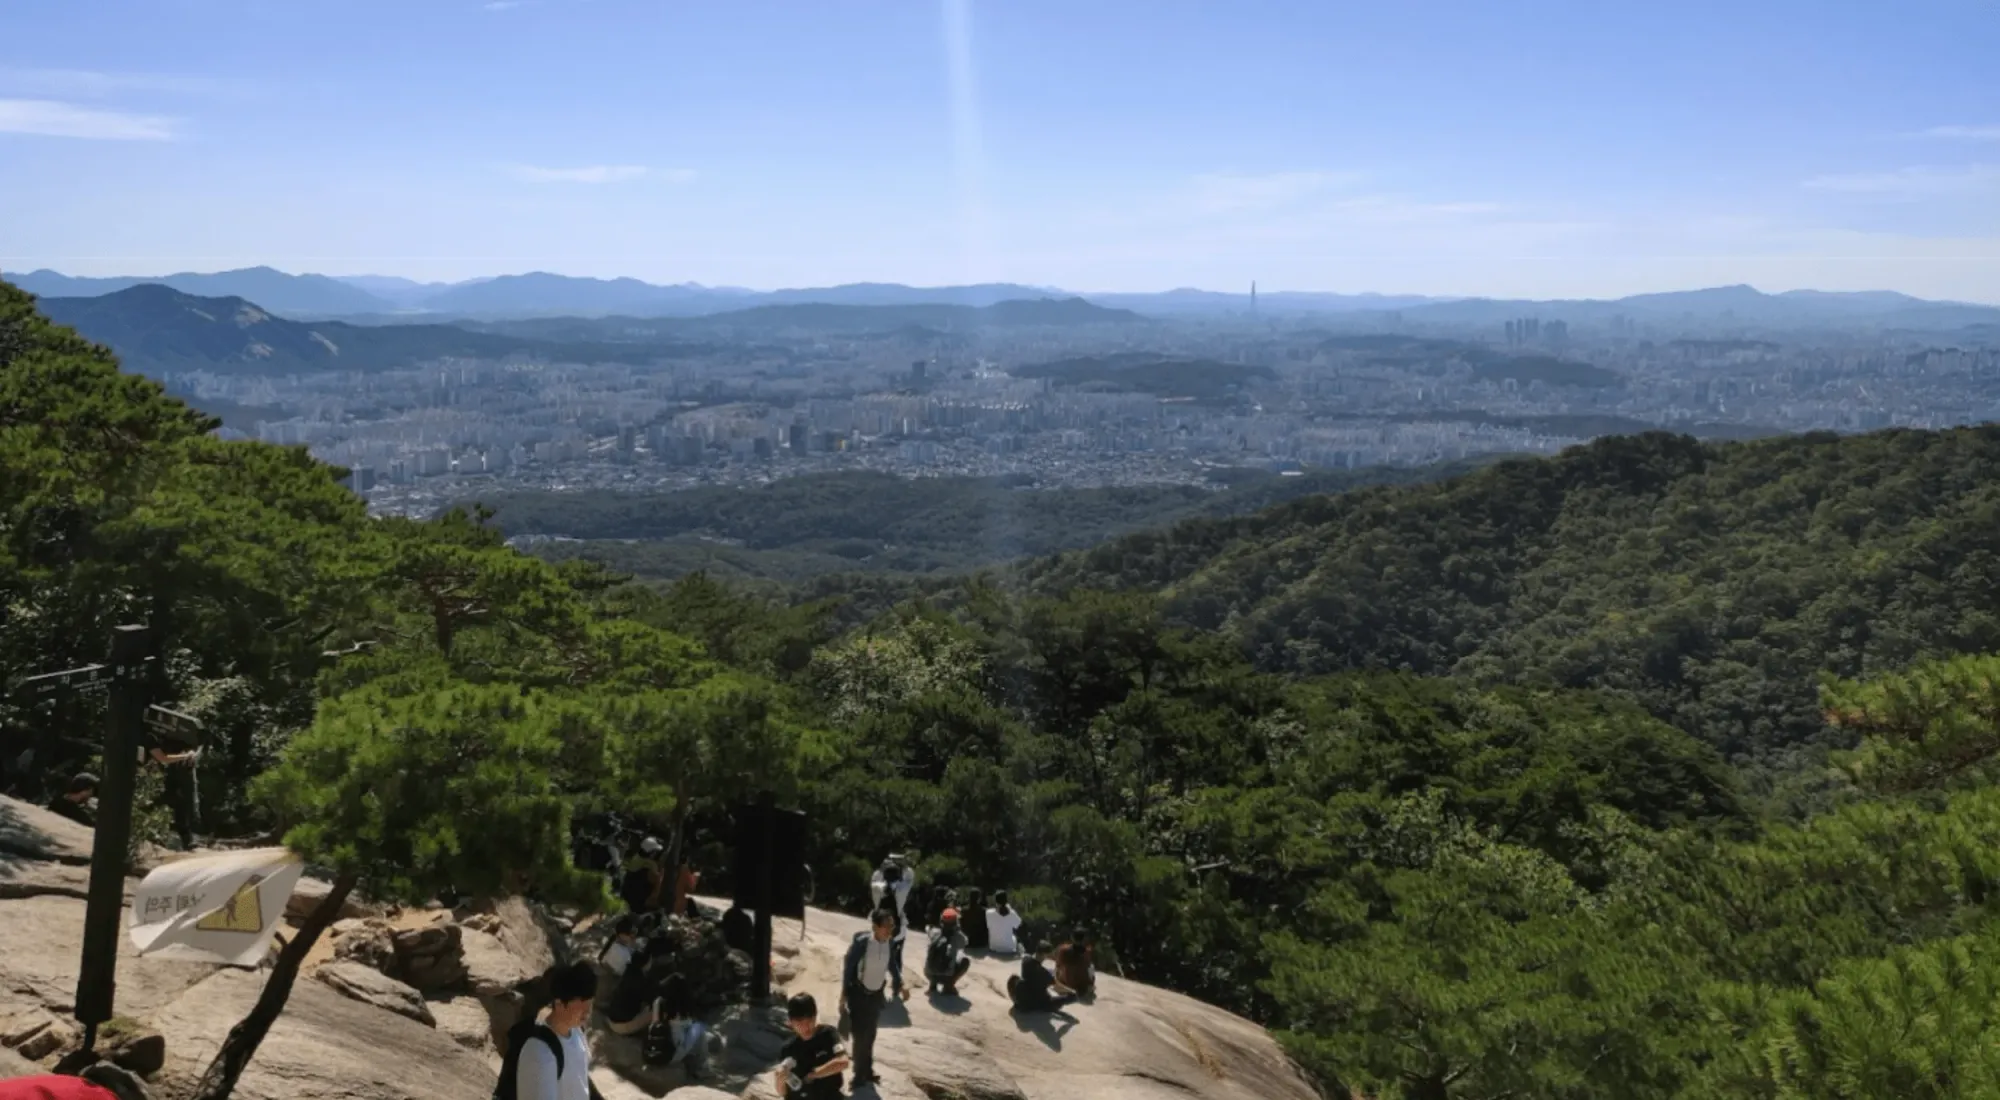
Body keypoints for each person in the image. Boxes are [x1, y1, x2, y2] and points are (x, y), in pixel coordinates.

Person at [499, 962, 602, 1100]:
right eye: (581, 1008)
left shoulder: (576, 1032)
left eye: (589, 1006)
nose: (587, 1013)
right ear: (559, 1004)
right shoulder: (539, 1052)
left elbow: (580, 1081)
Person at [840, 907, 907, 1088]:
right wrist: (843, 996)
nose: (890, 930)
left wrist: (900, 983)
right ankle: (857, 1075)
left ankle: (867, 1071)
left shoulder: (889, 944)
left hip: (876, 995)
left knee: (870, 1035)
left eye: (891, 926)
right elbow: (848, 969)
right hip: (858, 995)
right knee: (859, 1035)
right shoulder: (863, 943)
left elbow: (892, 964)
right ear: (875, 927)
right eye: (886, 926)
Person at [775, 993, 848, 1100]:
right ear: (791, 1022)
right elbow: (783, 1092)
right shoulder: (788, 1048)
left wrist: (814, 1074)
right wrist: (779, 1080)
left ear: (815, 1016)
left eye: (809, 1021)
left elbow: (843, 1062)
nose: (806, 1027)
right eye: (800, 1023)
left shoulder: (828, 1034)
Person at [139, 736, 200, 849]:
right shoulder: (150, 736)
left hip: (176, 772)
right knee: (159, 802)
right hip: (156, 777)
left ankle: (188, 839)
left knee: (185, 805)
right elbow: (163, 758)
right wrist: (186, 756)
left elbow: (194, 744)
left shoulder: (177, 732)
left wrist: (191, 753)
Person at [1006, 947, 1074, 1014]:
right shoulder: (1044, 973)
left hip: (1024, 1002)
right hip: (1040, 1002)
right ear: (1044, 955)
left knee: (1015, 977)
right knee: (1072, 997)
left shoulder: (1025, 960)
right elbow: (1057, 987)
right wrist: (1070, 990)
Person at [923, 908, 972, 996]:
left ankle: (932, 985)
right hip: (946, 976)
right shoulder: (958, 936)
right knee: (965, 960)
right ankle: (948, 985)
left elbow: (927, 928)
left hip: (929, 974)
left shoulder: (934, 932)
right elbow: (966, 942)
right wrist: (958, 929)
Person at [1053, 929, 1096, 1001]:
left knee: (1056, 971)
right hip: (1083, 986)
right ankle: (1089, 987)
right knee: (1091, 966)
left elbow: (1058, 966)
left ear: (1072, 937)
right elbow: (1088, 967)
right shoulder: (1087, 951)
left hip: (1067, 984)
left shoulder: (1063, 949)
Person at [985, 890, 1023, 956]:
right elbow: (1019, 924)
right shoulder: (1011, 913)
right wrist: (1010, 909)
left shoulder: (988, 913)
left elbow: (988, 926)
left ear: (995, 901)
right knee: (1014, 936)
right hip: (1009, 948)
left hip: (993, 947)